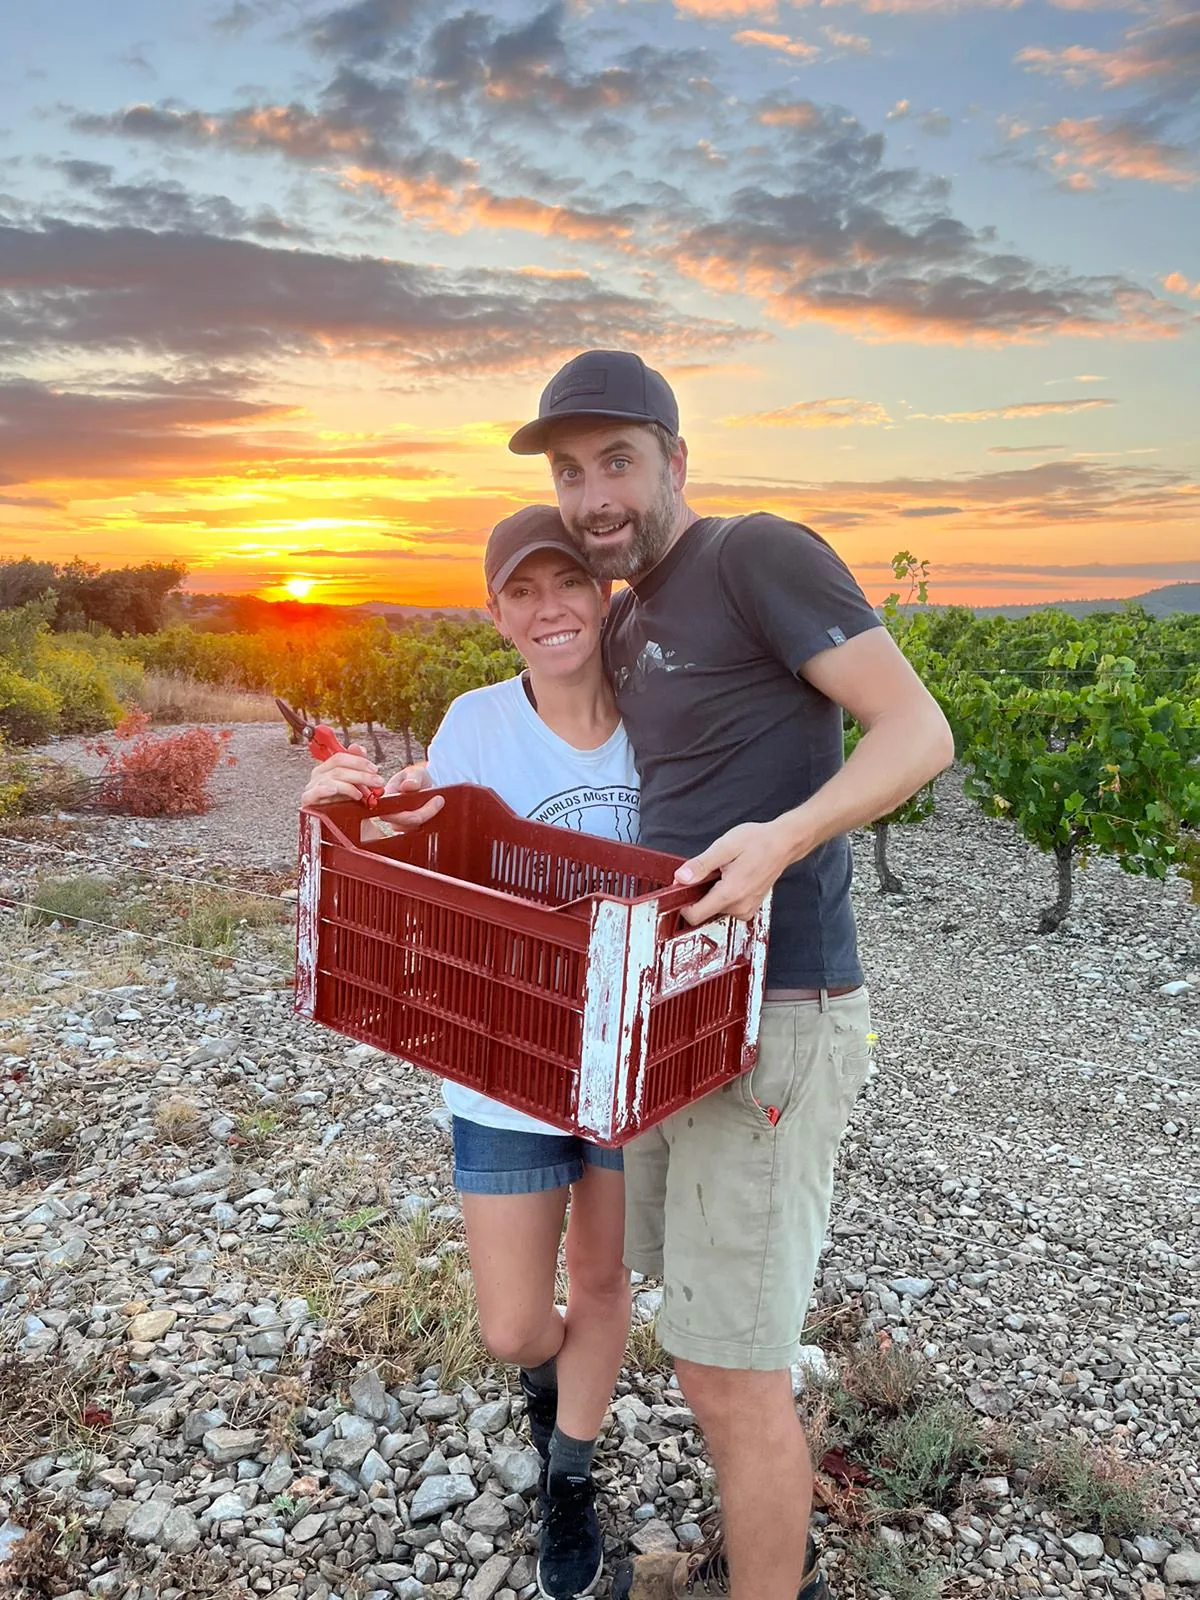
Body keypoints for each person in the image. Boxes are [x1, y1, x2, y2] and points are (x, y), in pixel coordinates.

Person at [506, 351, 955, 1600]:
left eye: (616, 461)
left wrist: (786, 837)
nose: (592, 493)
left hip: (781, 1004)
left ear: (674, 460)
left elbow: (920, 732)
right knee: (694, 1332)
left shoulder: (758, 553)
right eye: (569, 471)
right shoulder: (634, 612)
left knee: (730, 1365)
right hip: (680, 1011)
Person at [300, 505, 640, 1600]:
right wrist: (335, 816)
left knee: (600, 1276)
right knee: (509, 1323)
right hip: (506, 1050)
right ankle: (551, 1385)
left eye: (569, 583)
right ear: (497, 614)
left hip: (634, 1050)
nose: (550, 609)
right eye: (524, 592)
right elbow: (417, 844)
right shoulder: (478, 720)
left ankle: (572, 1473)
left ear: (604, 593)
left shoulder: (660, 715)